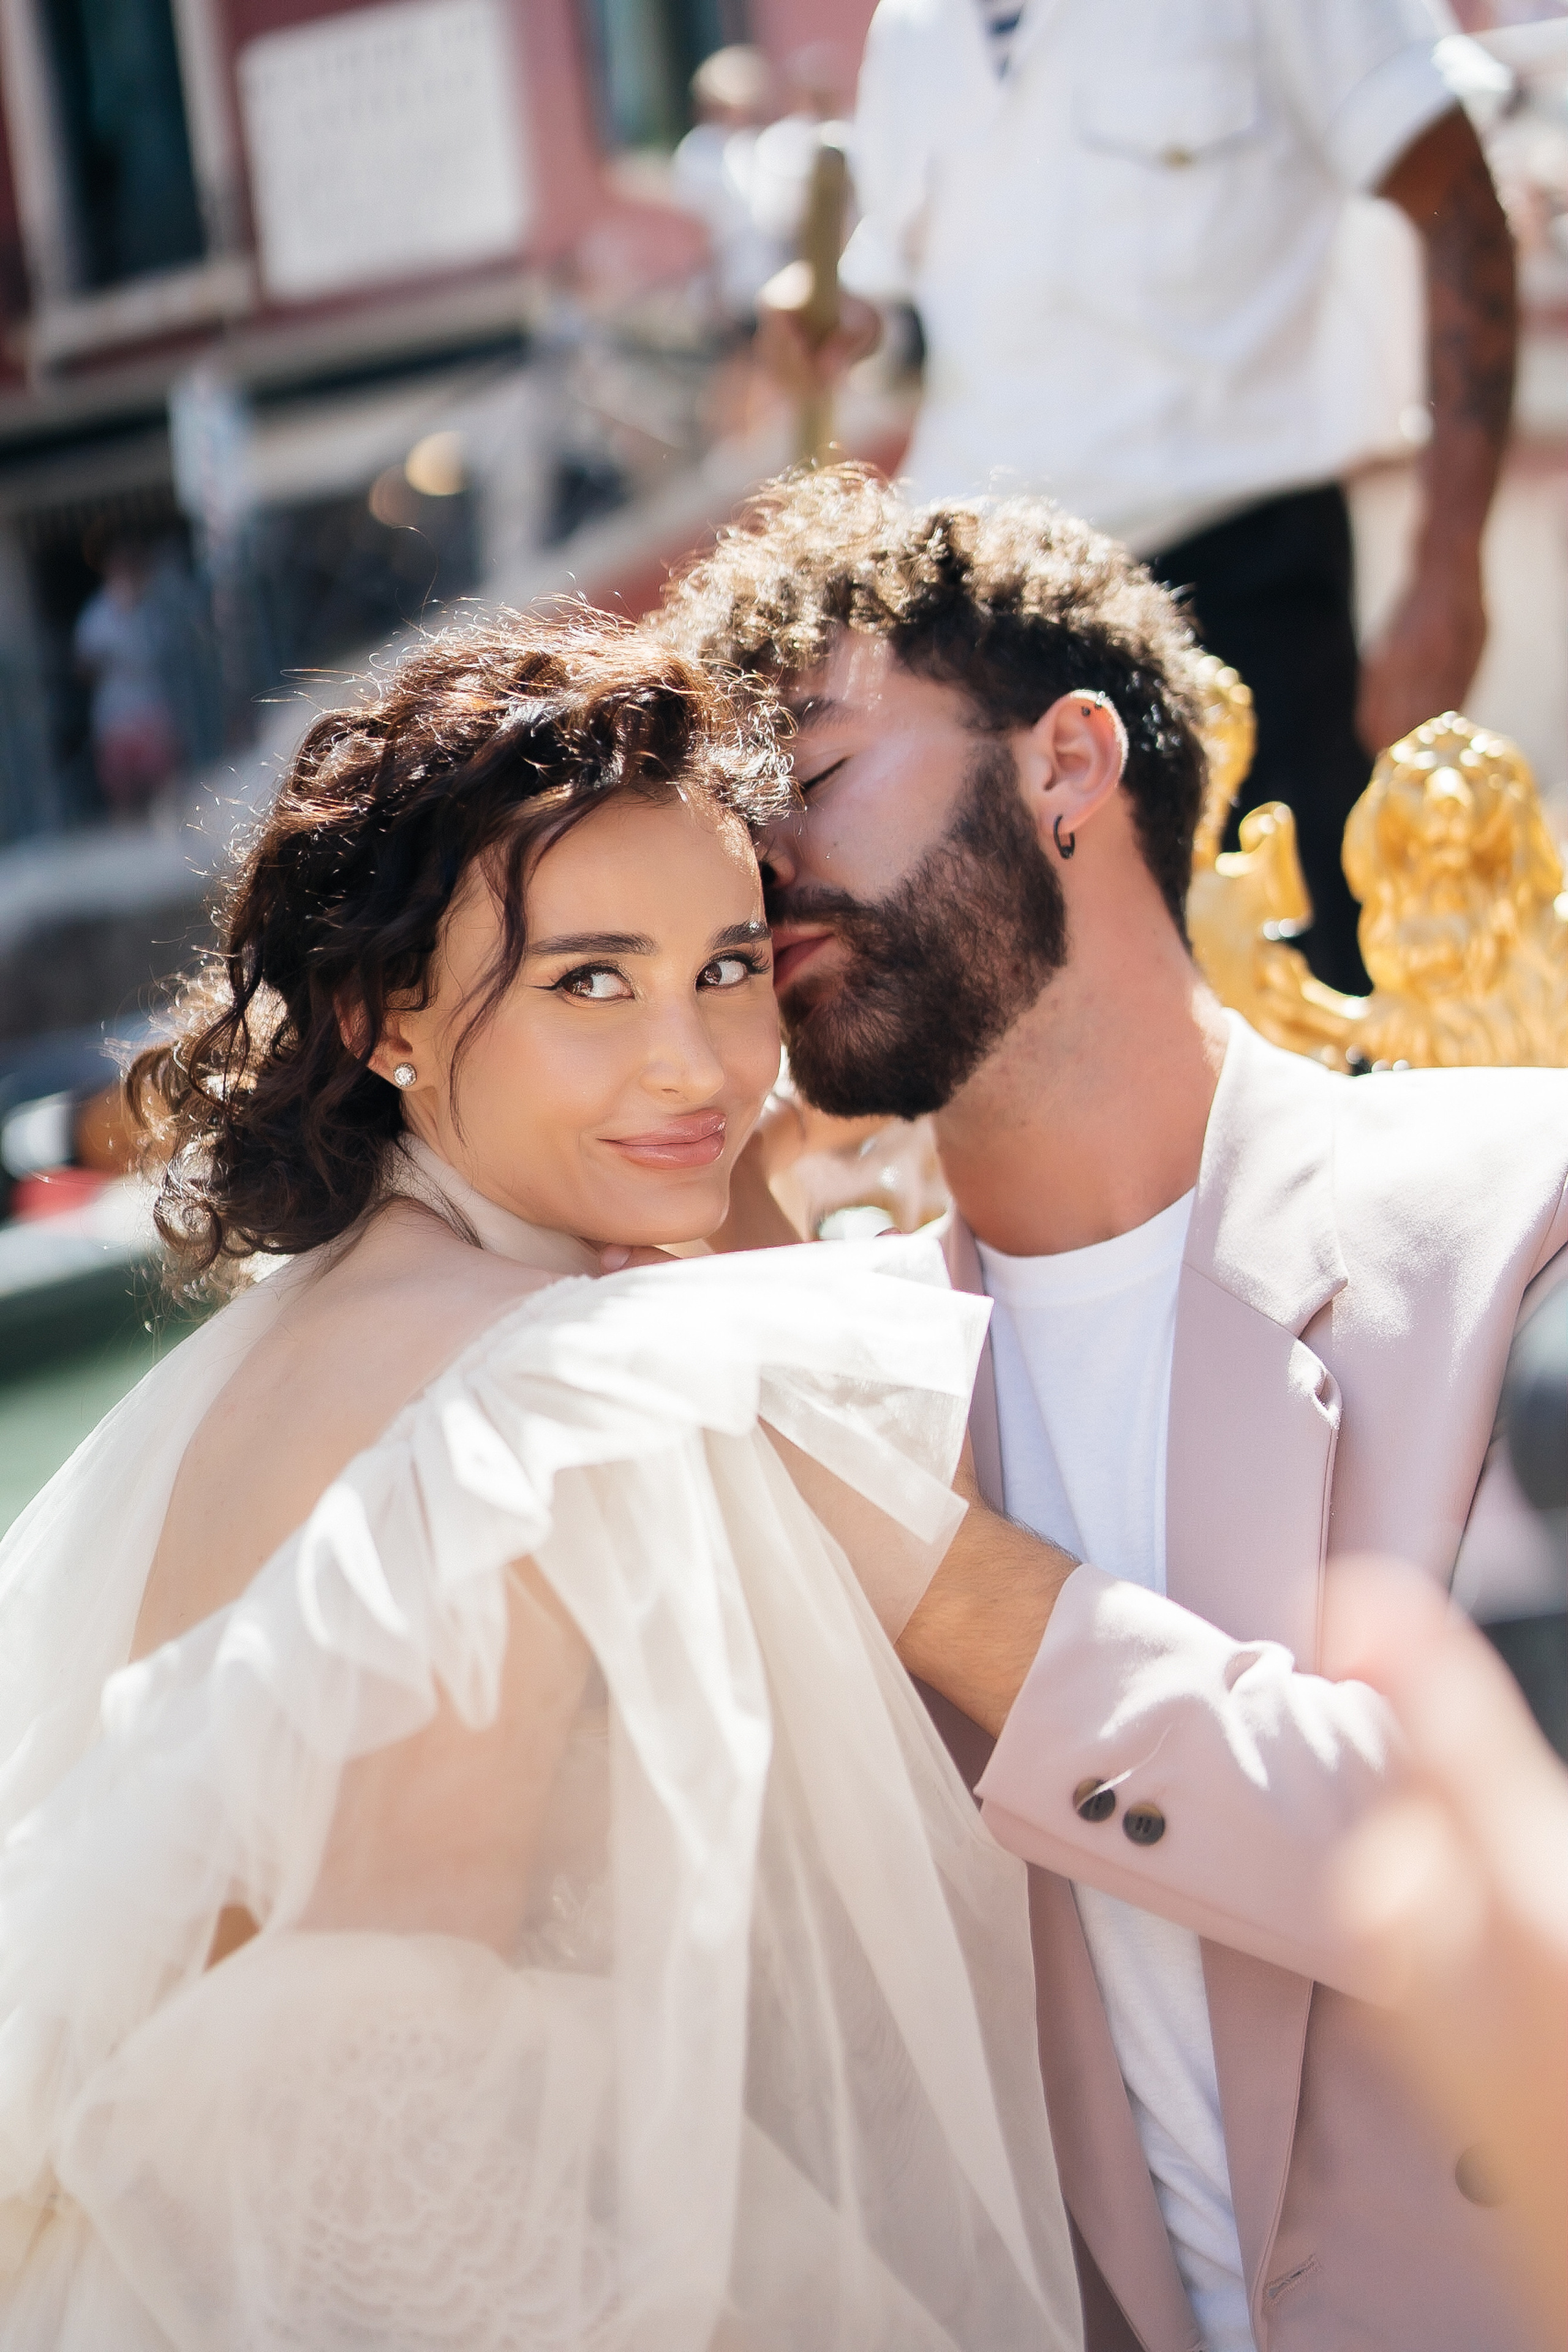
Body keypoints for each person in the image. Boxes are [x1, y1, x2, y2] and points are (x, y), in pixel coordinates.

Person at [0, 614, 1083, 2349]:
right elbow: (350, 2097)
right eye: (591, 981)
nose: (695, 1066)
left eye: (730, 968)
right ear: (383, 1019)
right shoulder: (541, 1386)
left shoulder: (339, 1316)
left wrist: (720, 1190)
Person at [660, 466, 1568, 2352]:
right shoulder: (822, 1381)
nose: (766, 878)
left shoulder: (1516, 1217)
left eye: (813, 781)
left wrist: (974, 1592)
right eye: (731, 835)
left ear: (1068, 764)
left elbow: (1502, 1870)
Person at [766, 0, 1519, 996]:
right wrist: (857, 333)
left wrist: (1448, 565)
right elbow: (926, 329)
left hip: (1233, 594)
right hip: (983, 630)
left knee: (1307, 997)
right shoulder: (916, 29)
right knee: (1040, 1019)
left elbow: (1462, 208)